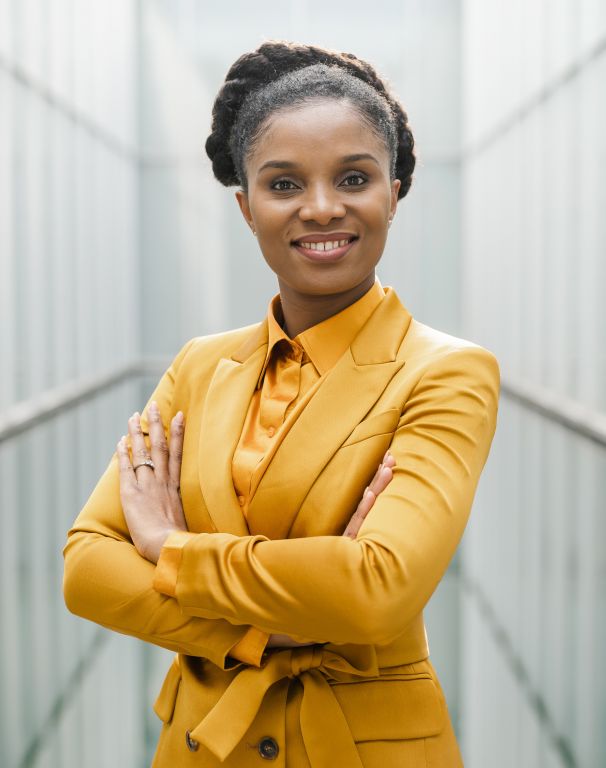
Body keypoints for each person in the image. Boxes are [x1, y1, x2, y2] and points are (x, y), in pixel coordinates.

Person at [63, 41, 500, 767]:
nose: (322, 208)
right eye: (284, 184)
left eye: (354, 177)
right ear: (246, 206)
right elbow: (86, 569)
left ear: (394, 191)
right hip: (199, 746)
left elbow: (376, 591)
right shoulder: (200, 367)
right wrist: (263, 629)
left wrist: (168, 547)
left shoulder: (446, 374)